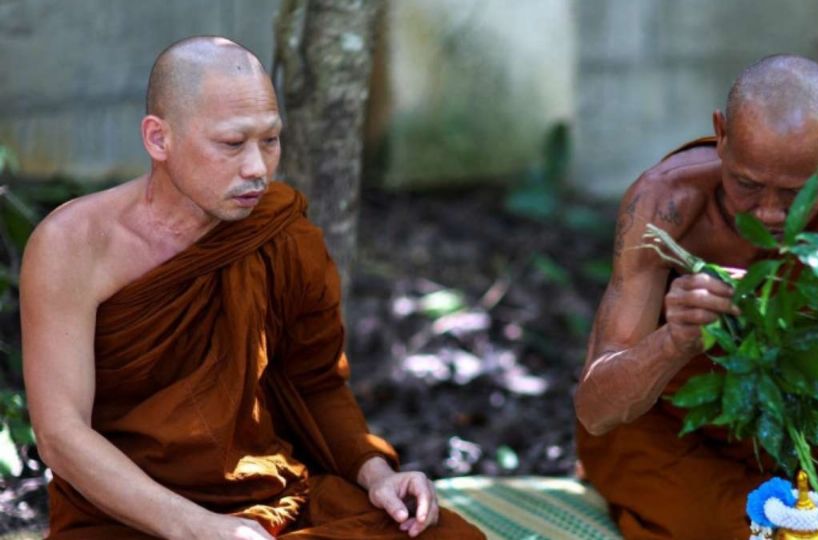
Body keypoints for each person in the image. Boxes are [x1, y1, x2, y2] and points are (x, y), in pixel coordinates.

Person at [20, 36, 484, 539]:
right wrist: (200, 529)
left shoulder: (280, 233)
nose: (257, 169)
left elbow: (315, 383)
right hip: (128, 515)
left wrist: (378, 475)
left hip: (268, 501)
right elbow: (61, 435)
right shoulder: (73, 246)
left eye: (270, 141)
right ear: (159, 139)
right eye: (231, 144)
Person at [574, 54, 818, 540]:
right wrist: (674, 341)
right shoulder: (665, 208)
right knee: (769, 533)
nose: (770, 213)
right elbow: (597, 411)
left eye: (797, 194)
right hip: (683, 438)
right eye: (746, 184)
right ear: (721, 134)